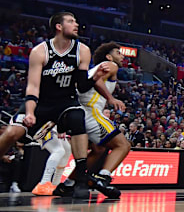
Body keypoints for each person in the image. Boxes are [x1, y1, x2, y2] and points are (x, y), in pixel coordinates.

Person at [0, 12, 113, 198]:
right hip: (42, 102)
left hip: (65, 102)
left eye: (76, 21)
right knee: (12, 132)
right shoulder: (40, 51)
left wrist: (97, 75)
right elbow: (33, 86)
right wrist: (30, 112)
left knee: (78, 117)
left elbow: (82, 86)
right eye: (71, 21)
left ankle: (81, 178)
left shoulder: (82, 50)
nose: (76, 24)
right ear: (59, 27)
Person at [54, 42, 130, 199]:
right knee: (123, 145)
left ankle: (67, 185)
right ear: (109, 56)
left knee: (99, 149)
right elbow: (97, 81)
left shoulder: (95, 68)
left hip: (79, 112)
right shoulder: (111, 65)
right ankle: (103, 177)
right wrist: (110, 98)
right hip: (90, 111)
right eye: (118, 52)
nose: (122, 56)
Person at [31, 128, 72, 196]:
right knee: (58, 150)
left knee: (67, 150)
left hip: (55, 127)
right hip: (43, 126)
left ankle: (56, 183)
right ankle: (43, 184)